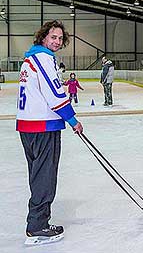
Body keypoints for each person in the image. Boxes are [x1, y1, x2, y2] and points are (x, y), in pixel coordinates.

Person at [16, 20, 83, 245]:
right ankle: (37, 227)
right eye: (53, 37)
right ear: (43, 37)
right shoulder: (43, 58)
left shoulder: (29, 59)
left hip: (28, 125)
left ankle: (38, 222)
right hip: (42, 126)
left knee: (38, 175)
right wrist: (72, 120)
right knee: (45, 176)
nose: (56, 41)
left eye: (60, 38)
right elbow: (54, 94)